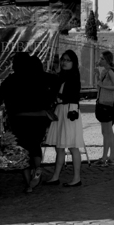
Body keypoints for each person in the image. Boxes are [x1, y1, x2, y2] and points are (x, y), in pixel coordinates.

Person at [0, 53, 57, 193]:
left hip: (19, 120)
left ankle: (28, 184)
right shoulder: (42, 78)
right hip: (39, 119)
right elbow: (55, 84)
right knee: (35, 144)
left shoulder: (12, 80)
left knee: (23, 149)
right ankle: (37, 169)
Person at [47, 50, 86, 187]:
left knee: (72, 146)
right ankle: (56, 176)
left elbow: (71, 95)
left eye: (68, 60)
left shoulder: (73, 76)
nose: (64, 62)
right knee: (59, 146)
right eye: (63, 59)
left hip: (69, 110)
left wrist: (59, 97)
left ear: (73, 62)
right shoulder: (61, 76)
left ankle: (76, 178)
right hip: (62, 110)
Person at [94, 51, 114, 167]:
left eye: (102, 58)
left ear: (107, 60)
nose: (100, 60)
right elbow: (99, 85)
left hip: (107, 105)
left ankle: (106, 157)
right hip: (103, 103)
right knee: (107, 132)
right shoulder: (104, 71)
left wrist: (102, 85)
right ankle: (110, 156)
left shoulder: (110, 71)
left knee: (107, 132)